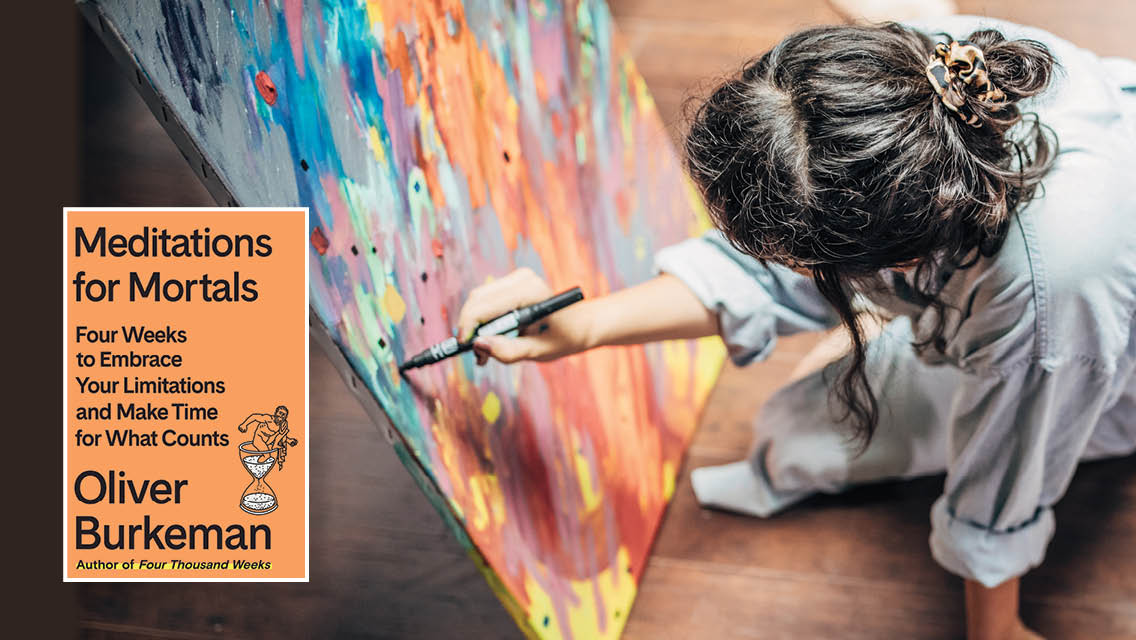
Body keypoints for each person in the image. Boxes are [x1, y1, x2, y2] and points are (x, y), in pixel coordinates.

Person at [456, 15, 1136, 640]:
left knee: (807, 446)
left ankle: (911, 331)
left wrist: (997, 630)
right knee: (798, 435)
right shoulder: (904, 85)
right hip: (1009, 296)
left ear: (893, 259)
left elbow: (1013, 466)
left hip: (1096, 357)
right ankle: (903, 327)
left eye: (798, 261)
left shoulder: (1052, 298)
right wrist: (585, 326)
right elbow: (768, 261)